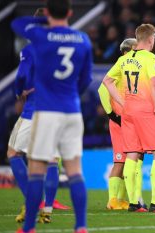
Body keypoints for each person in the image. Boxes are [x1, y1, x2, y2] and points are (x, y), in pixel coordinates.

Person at [11, 0, 93, 232]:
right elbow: (86, 79)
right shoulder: (82, 39)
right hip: (72, 111)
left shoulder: (41, 36)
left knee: (36, 168)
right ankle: (81, 226)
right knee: (75, 170)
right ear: (70, 12)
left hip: (47, 111)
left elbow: (17, 22)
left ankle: (28, 228)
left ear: (47, 13)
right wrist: (72, 96)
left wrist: (42, 20)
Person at [103, 23, 155, 213]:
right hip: (146, 111)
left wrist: (122, 102)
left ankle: (135, 203)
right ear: (151, 40)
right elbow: (154, 84)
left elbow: (107, 81)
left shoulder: (125, 58)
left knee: (132, 155)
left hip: (128, 111)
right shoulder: (150, 58)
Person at [8, 43, 70, 224]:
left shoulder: (31, 49)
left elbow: (21, 75)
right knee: (52, 160)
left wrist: (20, 91)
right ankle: (47, 210)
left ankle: (32, 203)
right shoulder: (64, 49)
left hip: (35, 110)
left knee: (13, 153)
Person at [98, 38, 137, 210]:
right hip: (120, 120)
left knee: (128, 160)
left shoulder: (130, 67)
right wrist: (112, 115)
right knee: (120, 160)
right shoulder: (121, 64)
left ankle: (120, 199)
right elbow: (102, 89)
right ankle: (112, 199)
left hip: (130, 119)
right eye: (135, 49)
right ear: (126, 51)